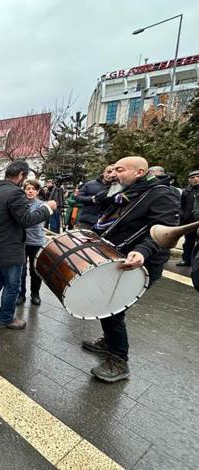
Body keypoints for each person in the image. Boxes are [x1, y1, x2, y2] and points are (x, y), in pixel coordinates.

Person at [83, 156, 180, 382]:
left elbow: (165, 231)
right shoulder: (129, 192)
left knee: (112, 308)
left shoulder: (162, 194)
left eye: (120, 170)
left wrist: (144, 251)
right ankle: (109, 342)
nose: (114, 174)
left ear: (139, 172)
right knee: (109, 306)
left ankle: (118, 361)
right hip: (117, 256)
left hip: (140, 262)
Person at [0, 160, 56, 329]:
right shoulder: (16, 193)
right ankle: (5, 319)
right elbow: (27, 220)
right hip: (9, 250)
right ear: (21, 175)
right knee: (12, 286)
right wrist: (47, 208)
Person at [16, 180, 46, 306]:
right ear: (24, 190)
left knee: (35, 271)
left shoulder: (42, 205)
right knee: (21, 271)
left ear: (37, 191)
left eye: (33, 189)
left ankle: (35, 294)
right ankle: (21, 294)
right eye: (28, 188)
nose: (30, 191)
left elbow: (35, 220)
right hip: (22, 242)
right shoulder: (19, 204)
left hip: (37, 242)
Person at [75, 165, 115, 229]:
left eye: (113, 173)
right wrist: (92, 199)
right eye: (109, 172)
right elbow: (78, 198)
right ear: (104, 172)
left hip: (106, 223)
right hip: (86, 222)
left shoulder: (118, 187)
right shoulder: (90, 184)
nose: (110, 175)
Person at [177, 169, 199, 267]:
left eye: (198, 177)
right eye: (192, 177)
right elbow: (182, 206)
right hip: (190, 221)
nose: (195, 179)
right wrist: (183, 217)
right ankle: (187, 259)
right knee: (189, 242)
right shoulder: (186, 192)